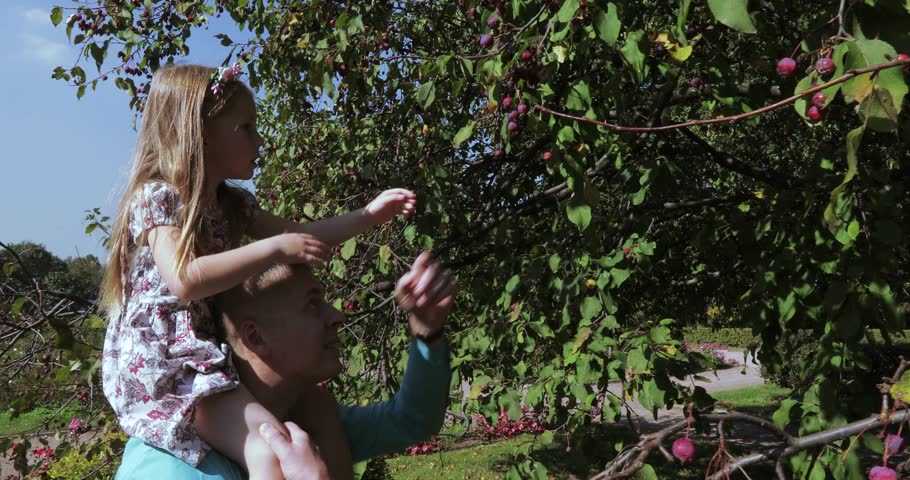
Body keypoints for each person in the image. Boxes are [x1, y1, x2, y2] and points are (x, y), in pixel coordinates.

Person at [99, 62, 417, 479]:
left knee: (284, 438)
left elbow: (302, 235)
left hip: (205, 358)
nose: (259, 139)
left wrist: (370, 215)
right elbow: (185, 278)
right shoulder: (159, 197)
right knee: (268, 450)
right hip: (166, 367)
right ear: (202, 133)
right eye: (246, 128)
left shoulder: (231, 205)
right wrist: (273, 250)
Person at [115, 252, 455, 479]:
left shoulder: (304, 418)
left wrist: (426, 331)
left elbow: (411, 420)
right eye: (312, 305)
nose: (336, 316)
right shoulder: (171, 467)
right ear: (255, 337)